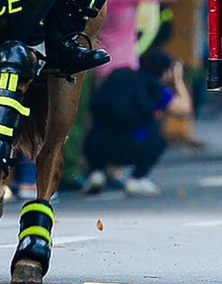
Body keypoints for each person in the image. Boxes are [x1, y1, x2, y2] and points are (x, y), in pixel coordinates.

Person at [81, 50, 191, 197]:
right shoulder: (153, 87)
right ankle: (137, 178)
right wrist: (178, 79)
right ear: (165, 71)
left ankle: (97, 173)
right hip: (134, 147)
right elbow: (184, 110)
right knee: (157, 138)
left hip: (97, 145)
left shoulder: (117, 78)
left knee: (101, 129)